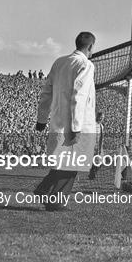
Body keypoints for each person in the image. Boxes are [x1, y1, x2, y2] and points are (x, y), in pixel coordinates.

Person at [34, 32, 97, 211]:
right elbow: (80, 95)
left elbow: (47, 91)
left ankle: (44, 189)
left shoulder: (59, 62)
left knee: (62, 160)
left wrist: (41, 119)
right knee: (72, 163)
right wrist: (76, 127)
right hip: (76, 122)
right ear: (91, 47)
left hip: (57, 120)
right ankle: (55, 201)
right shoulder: (86, 64)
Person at [88, 112, 105, 180]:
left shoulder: (101, 126)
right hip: (93, 147)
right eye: (100, 117)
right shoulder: (93, 125)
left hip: (99, 147)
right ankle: (92, 173)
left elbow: (102, 137)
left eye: (102, 118)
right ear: (97, 117)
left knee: (101, 162)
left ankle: (92, 172)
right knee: (95, 161)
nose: (101, 119)